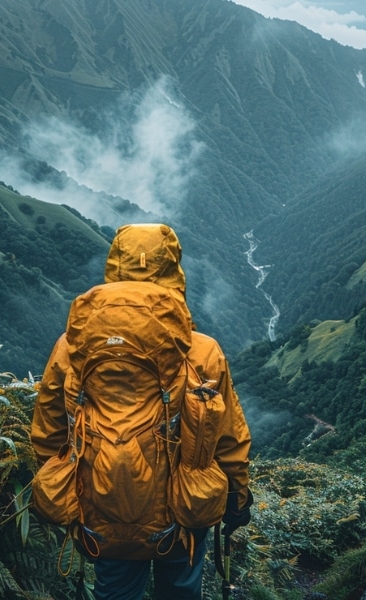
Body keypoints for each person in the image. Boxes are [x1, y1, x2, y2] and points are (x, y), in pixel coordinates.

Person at [30, 223, 252, 600]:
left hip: (104, 505)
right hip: (184, 508)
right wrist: (237, 498)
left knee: (114, 591)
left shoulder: (71, 348)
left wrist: (67, 484)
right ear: (174, 271)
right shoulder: (201, 351)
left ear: (114, 267)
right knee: (181, 590)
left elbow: (49, 433)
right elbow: (226, 436)